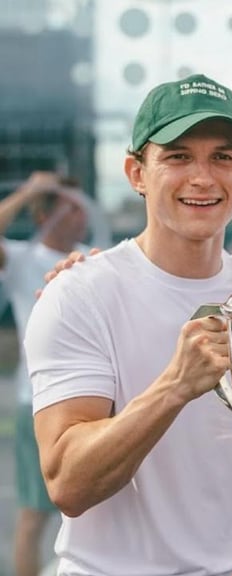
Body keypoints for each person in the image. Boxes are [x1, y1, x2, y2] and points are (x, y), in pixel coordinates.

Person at [24, 74, 232, 576]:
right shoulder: (81, 293)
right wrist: (174, 387)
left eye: (222, 157)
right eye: (178, 156)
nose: (202, 177)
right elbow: (67, 484)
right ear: (137, 173)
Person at [0, 171, 88, 576]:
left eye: (81, 205)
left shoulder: (93, 257)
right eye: (68, 207)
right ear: (44, 216)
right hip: (36, 402)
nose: (80, 214)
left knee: (92, 517)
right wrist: (29, 191)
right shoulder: (23, 258)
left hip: (92, 402)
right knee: (35, 513)